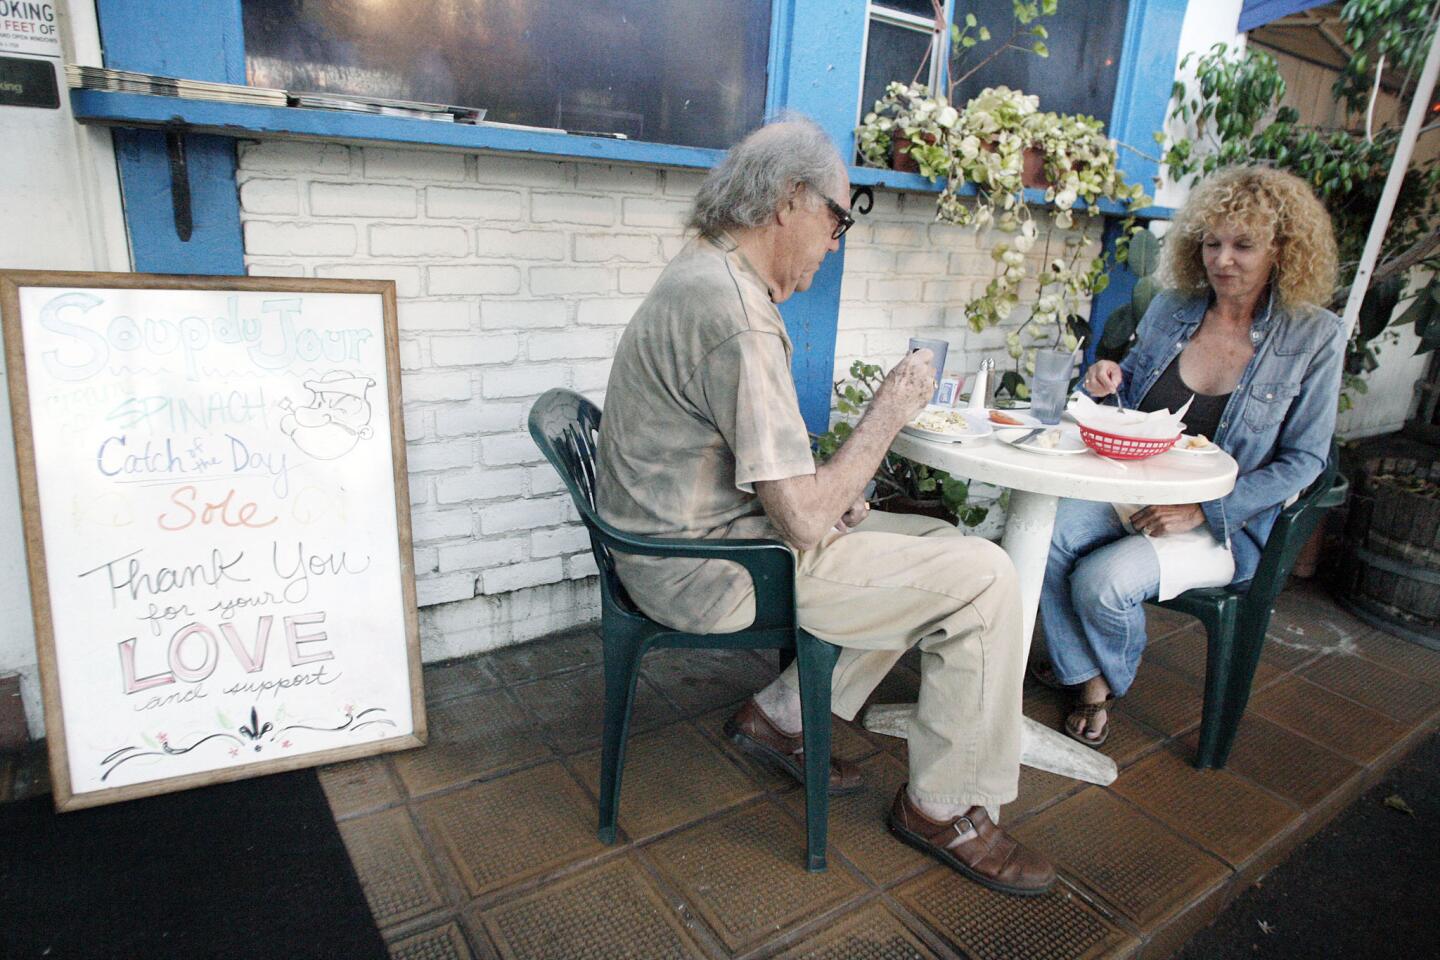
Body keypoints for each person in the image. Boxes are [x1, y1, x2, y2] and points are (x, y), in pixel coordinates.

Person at [595, 116, 1055, 896]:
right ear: (789, 201)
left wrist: (838, 490)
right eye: (840, 217)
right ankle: (942, 808)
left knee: (925, 541)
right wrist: (889, 411)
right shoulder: (736, 315)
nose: (838, 240)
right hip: (709, 573)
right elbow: (803, 521)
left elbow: (770, 475)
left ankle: (780, 715)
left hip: (674, 540)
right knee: (983, 575)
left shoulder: (706, 271)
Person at [1038, 165, 1342, 746]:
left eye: (1243, 245)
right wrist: (1109, 381)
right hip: (1134, 492)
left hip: (1226, 524)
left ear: (1282, 249)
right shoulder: (1173, 308)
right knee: (1045, 531)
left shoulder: (1316, 338)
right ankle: (1089, 679)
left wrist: (1204, 509)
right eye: (1211, 242)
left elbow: (1305, 460)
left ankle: (1097, 679)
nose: (1222, 259)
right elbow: (1138, 405)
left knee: (1100, 583)